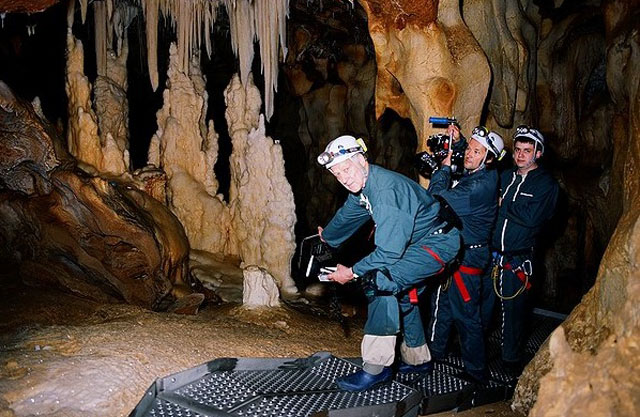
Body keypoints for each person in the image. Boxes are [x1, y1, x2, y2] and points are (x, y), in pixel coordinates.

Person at [317, 134, 460, 392]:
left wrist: (351, 272)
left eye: (346, 168)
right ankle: (419, 361)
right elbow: (350, 212)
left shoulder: (384, 191)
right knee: (404, 296)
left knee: (380, 281)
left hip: (437, 244)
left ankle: (377, 368)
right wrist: (327, 236)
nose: (344, 178)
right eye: (337, 174)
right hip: (421, 243)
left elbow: (388, 254)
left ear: (361, 160)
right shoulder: (365, 186)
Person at [427, 125, 502, 383]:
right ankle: (435, 352)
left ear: (489, 158)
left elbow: (435, 200)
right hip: (463, 253)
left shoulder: (477, 188)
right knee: (446, 306)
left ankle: (476, 371)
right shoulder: (485, 174)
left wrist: (444, 168)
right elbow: (470, 162)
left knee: (466, 316)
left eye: (475, 151)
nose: (468, 154)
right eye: (469, 148)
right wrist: (458, 145)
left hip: (469, 258)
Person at [480, 125, 559, 372]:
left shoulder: (545, 184)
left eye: (527, 150)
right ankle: (475, 359)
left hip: (517, 261)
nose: (521, 155)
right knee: (481, 310)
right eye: (517, 150)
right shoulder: (506, 177)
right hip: (492, 258)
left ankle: (510, 363)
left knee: (512, 315)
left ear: (538, 153)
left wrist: (502, 205)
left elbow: (533, 217)